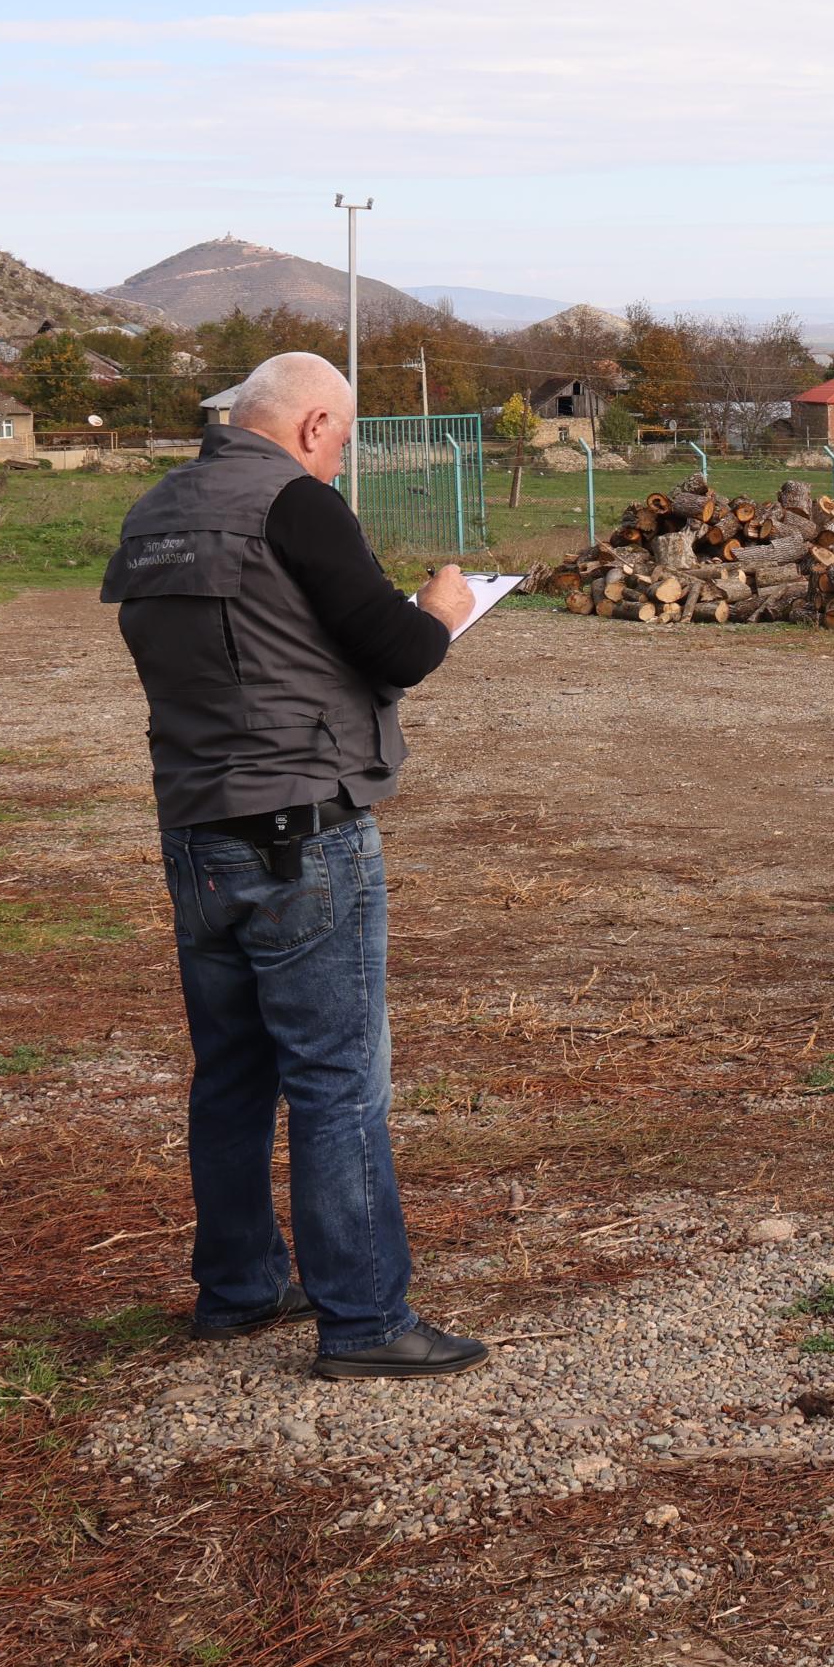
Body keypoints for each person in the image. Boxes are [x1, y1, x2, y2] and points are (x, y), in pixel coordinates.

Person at [101, 352, 490, 1376]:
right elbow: (396, 650)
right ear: (316, 423)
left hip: (196, 828)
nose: (341, 457)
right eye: (346, 438)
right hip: (303, 825)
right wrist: (443, 608)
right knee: (336, 1078)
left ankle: (237, 1287)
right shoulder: (295, 504)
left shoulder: (155, 510)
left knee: (232, 1071)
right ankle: (364, 1317)